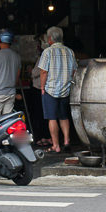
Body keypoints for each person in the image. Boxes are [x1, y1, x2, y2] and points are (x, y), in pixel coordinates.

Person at [36, 26, 77, 154]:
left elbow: (43, 72)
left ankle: (56, 146)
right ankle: (66, 141)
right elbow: (74, 71)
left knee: (52, 118)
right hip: (66, 89)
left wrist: (42, 87)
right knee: (64, 116)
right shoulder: (70, 51)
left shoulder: (47, 52)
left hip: (50, 90)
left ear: (50, 39)